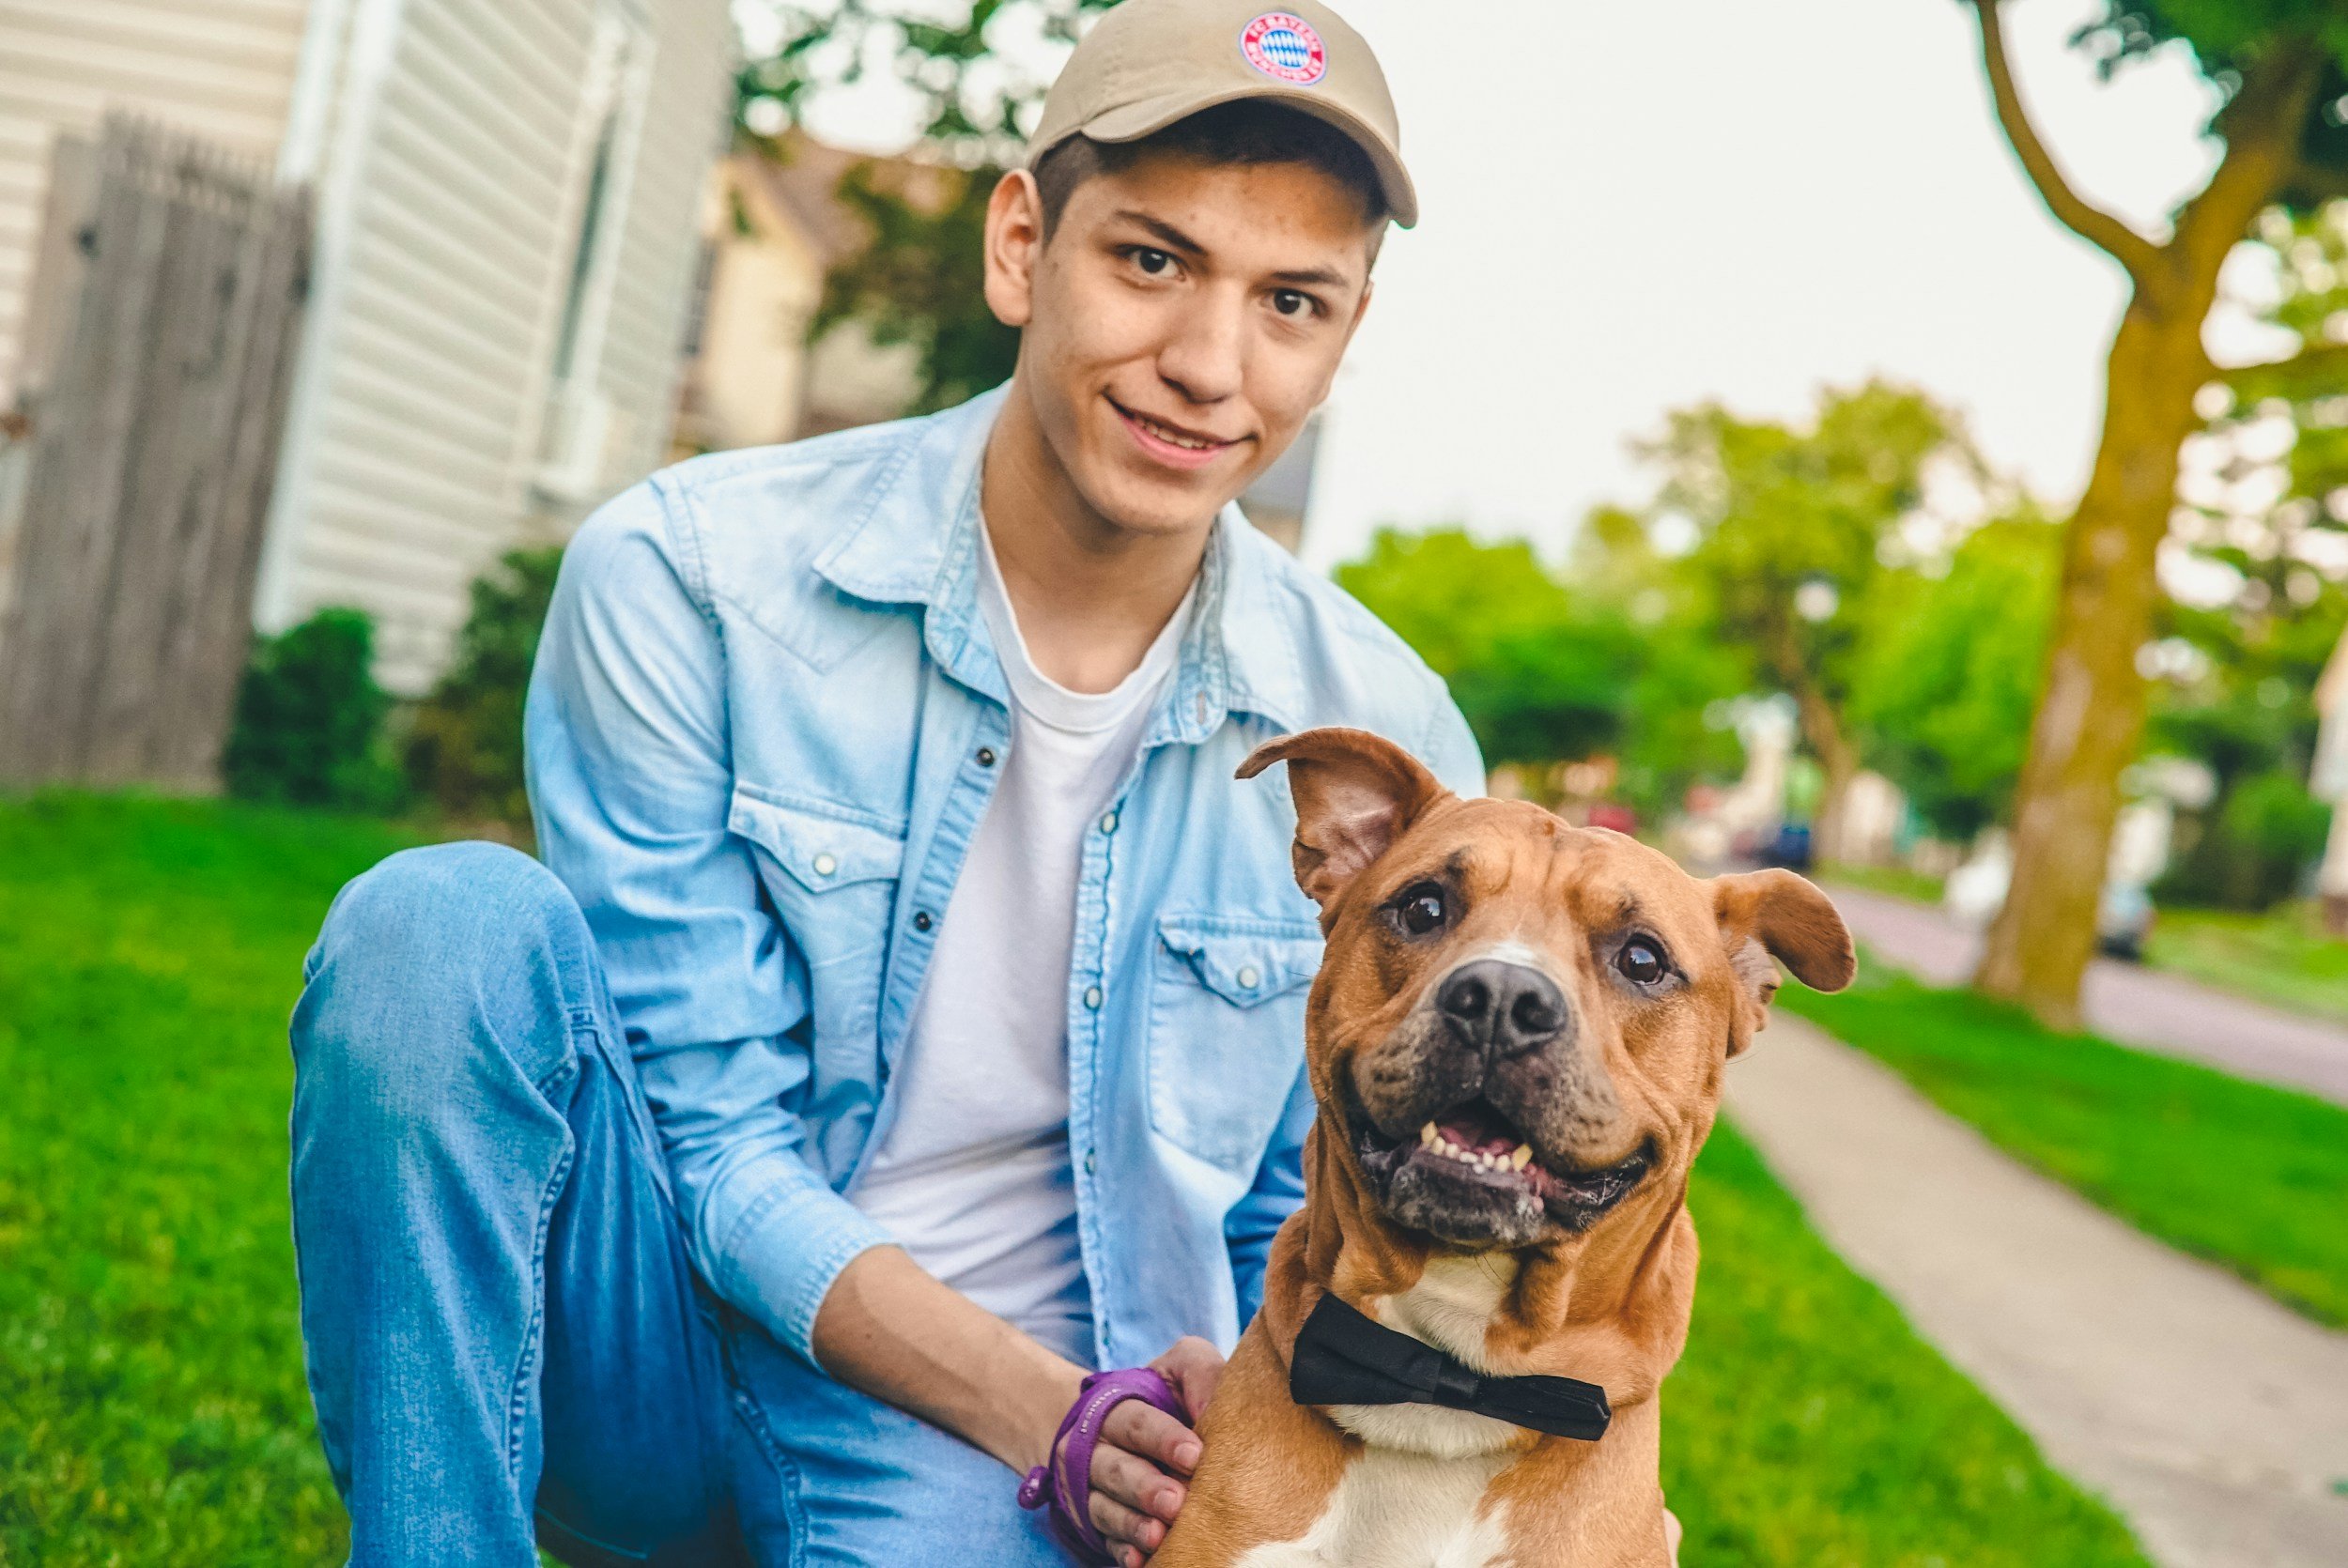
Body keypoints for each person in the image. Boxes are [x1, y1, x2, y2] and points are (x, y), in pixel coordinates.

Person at [287, 2, 1478, 1563]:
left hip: (1028, 1450)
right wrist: (1038, 1405)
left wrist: (1266, 1411)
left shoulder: (1386, 740)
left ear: (1344, 338)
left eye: (1292, 302)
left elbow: (1321, 1205)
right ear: (1019, 245)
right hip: (666, 1346)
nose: (1206, 364)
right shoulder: (694, 579)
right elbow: (708, 1144)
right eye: (1149, 260)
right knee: (431, 927)